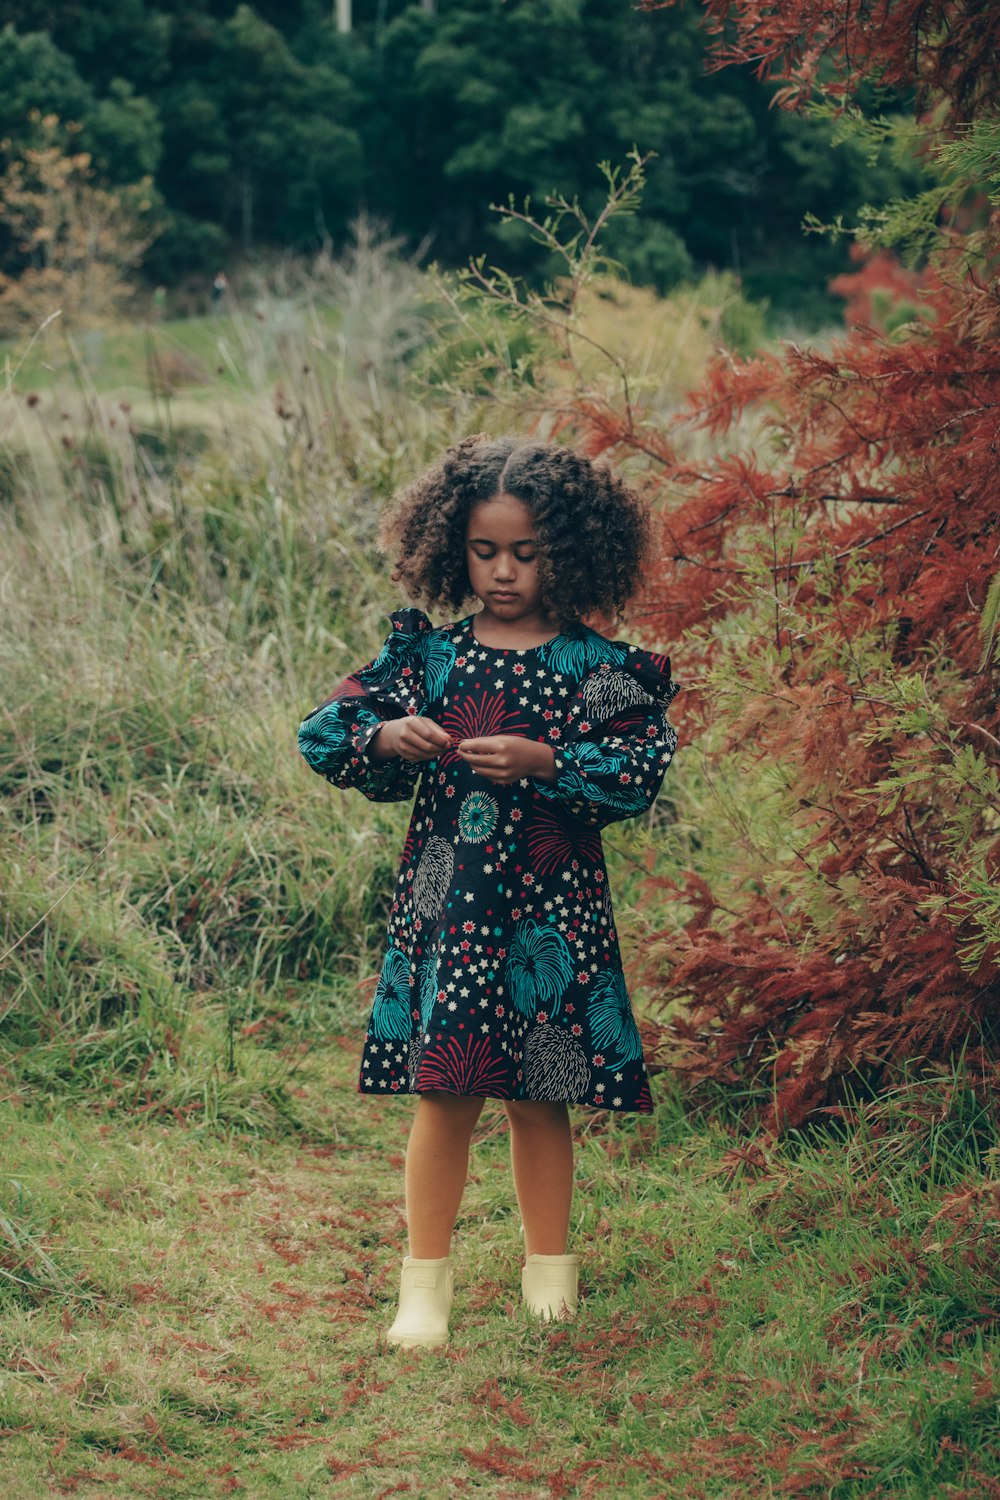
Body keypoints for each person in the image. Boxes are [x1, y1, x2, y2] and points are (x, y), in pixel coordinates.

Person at [297, 433, 680, 1350]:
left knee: (541, 1092)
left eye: (525, 552)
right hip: (452, 914)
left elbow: (638, 767)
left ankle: (549, 1275)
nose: (503, 572)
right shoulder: (431, 658)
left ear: (570, 551)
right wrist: (389, 738)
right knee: (447, 1092)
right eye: (484, 551)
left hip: (550, 912)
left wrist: (549, 761)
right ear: (451, 546)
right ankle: (422, 1290)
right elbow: (324, 729)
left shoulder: (597, 668)